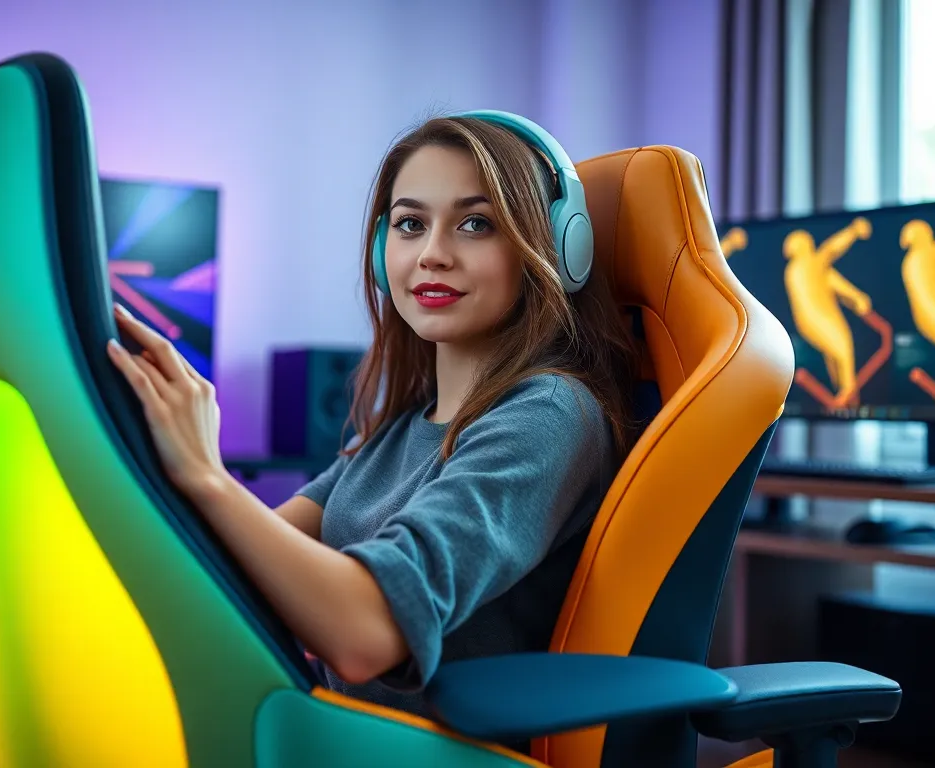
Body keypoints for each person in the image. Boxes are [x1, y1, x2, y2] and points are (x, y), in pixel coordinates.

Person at [106, 112, 642, 739]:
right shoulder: (405, 427)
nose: (432, 254)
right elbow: (248, 558)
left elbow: (367, 633)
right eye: (411, 224)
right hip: (349, 736)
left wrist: (205, 473)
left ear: (552, 248)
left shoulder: (549, 416)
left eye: (476, 224)